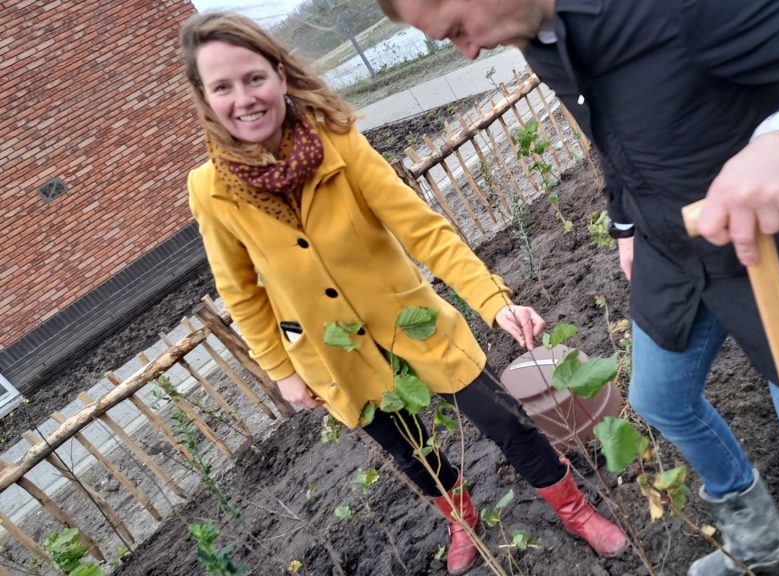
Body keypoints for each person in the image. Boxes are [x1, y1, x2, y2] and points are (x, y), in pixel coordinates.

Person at [381, 1, 779, 575]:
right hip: (674, 247)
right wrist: (627, 223)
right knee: (660, 398)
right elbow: (607, 129)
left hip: (776, 249)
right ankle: (755, 530)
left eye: (457, 29)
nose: (468, 51)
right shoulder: (540, 35)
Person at [179, 12, 628, 575]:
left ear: (279, 74)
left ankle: (576, 511)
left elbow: (424, 230)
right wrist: (282, 370)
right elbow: (239, 292)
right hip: (334, 353)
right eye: (222, 86)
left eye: (253, 78)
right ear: (205, 96)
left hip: (411, 323)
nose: (243, 98)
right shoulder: (210, 189)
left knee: (504, 420)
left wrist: (493, 300)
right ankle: (462, 521)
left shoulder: (337, 143)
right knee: (412, 453)